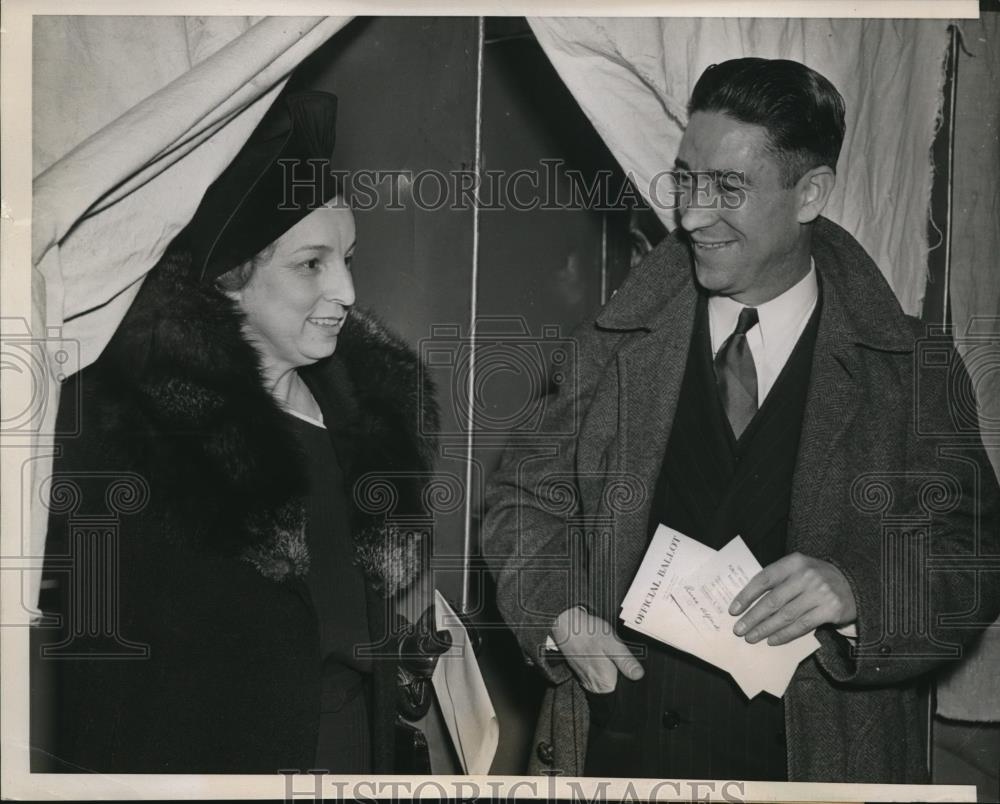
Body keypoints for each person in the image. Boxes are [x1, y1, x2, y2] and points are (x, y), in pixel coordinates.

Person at [483, 58, 1000, 782]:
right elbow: (520, 501)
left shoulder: (911, 369)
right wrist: (559, 615)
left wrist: (860, 593)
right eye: (685, 180)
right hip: (620, 754)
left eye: (728, 188)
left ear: (810, 194)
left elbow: (974, 556)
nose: (692, 216)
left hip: (818, 771)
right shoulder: (608, 344)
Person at [36, 89, 444, 773]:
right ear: (228, 279)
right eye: (311, 263)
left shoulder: (362, 423)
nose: (346, 292)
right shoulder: (127, 431)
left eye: (348, 258)